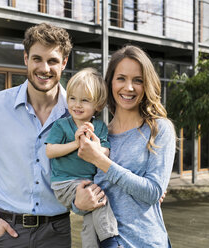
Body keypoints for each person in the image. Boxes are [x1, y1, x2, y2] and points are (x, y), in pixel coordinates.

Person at [0, 23, 106, 248]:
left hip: (57, 233)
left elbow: (100, 167)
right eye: (37, 59)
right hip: (6, 232)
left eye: (53, 61)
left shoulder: (82, 114)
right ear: (26, 58)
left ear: (64, 63)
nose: (44, 68)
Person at [75, 45, 176, 248]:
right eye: (121, 78)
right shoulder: (96, 135)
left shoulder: (159, 129)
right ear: (110, 82)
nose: (128, 88)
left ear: (146, 84)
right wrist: (77, 204)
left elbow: (153, 192)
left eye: (137, 80)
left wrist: (101, 161)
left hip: (146, 242)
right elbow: (80, 189)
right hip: (102, 242)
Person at [45, 68, 121, 248]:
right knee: (100, 200)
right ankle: (111, 241)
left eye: (85, 100)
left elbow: (106, 152)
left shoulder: (100, 127)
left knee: (91, 214)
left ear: (98, 104)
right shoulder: (61, 125)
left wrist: (94, 146)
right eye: (72, 98)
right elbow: (50, 151)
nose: (77, 105)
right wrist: (76, 143)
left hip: (85, 181)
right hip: (65, 183)